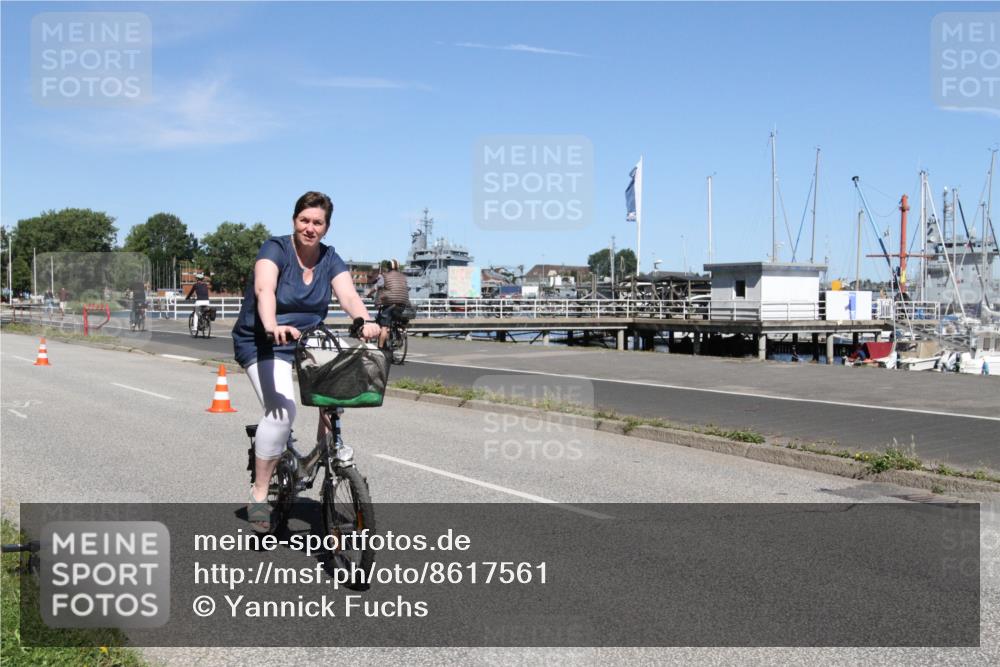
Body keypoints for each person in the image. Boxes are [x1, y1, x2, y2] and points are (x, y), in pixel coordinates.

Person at [232, 191, 380, 532]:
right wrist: (272, 325)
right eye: (304, 220)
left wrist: (364, 320)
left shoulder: (330, 258)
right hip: (264, 338)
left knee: (336, 394)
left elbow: (348, 295)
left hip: (307, 337)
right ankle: (260, 492)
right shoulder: (275, 249)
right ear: (294, 220)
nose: (310, 228)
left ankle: (326, 455)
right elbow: (264, 290)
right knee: (281, 413)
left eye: (318, 223)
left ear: (326, 227)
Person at [366, 258, 410, 348]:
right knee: (394, 320)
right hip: (402, 303)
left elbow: (376, 287)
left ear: (388, 267)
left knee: (384, 327)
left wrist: (369, 294)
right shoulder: (403, 277)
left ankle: (380, 348)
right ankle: (398, 333)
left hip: (390, 303)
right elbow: (406, 288)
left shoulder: (385, 276)